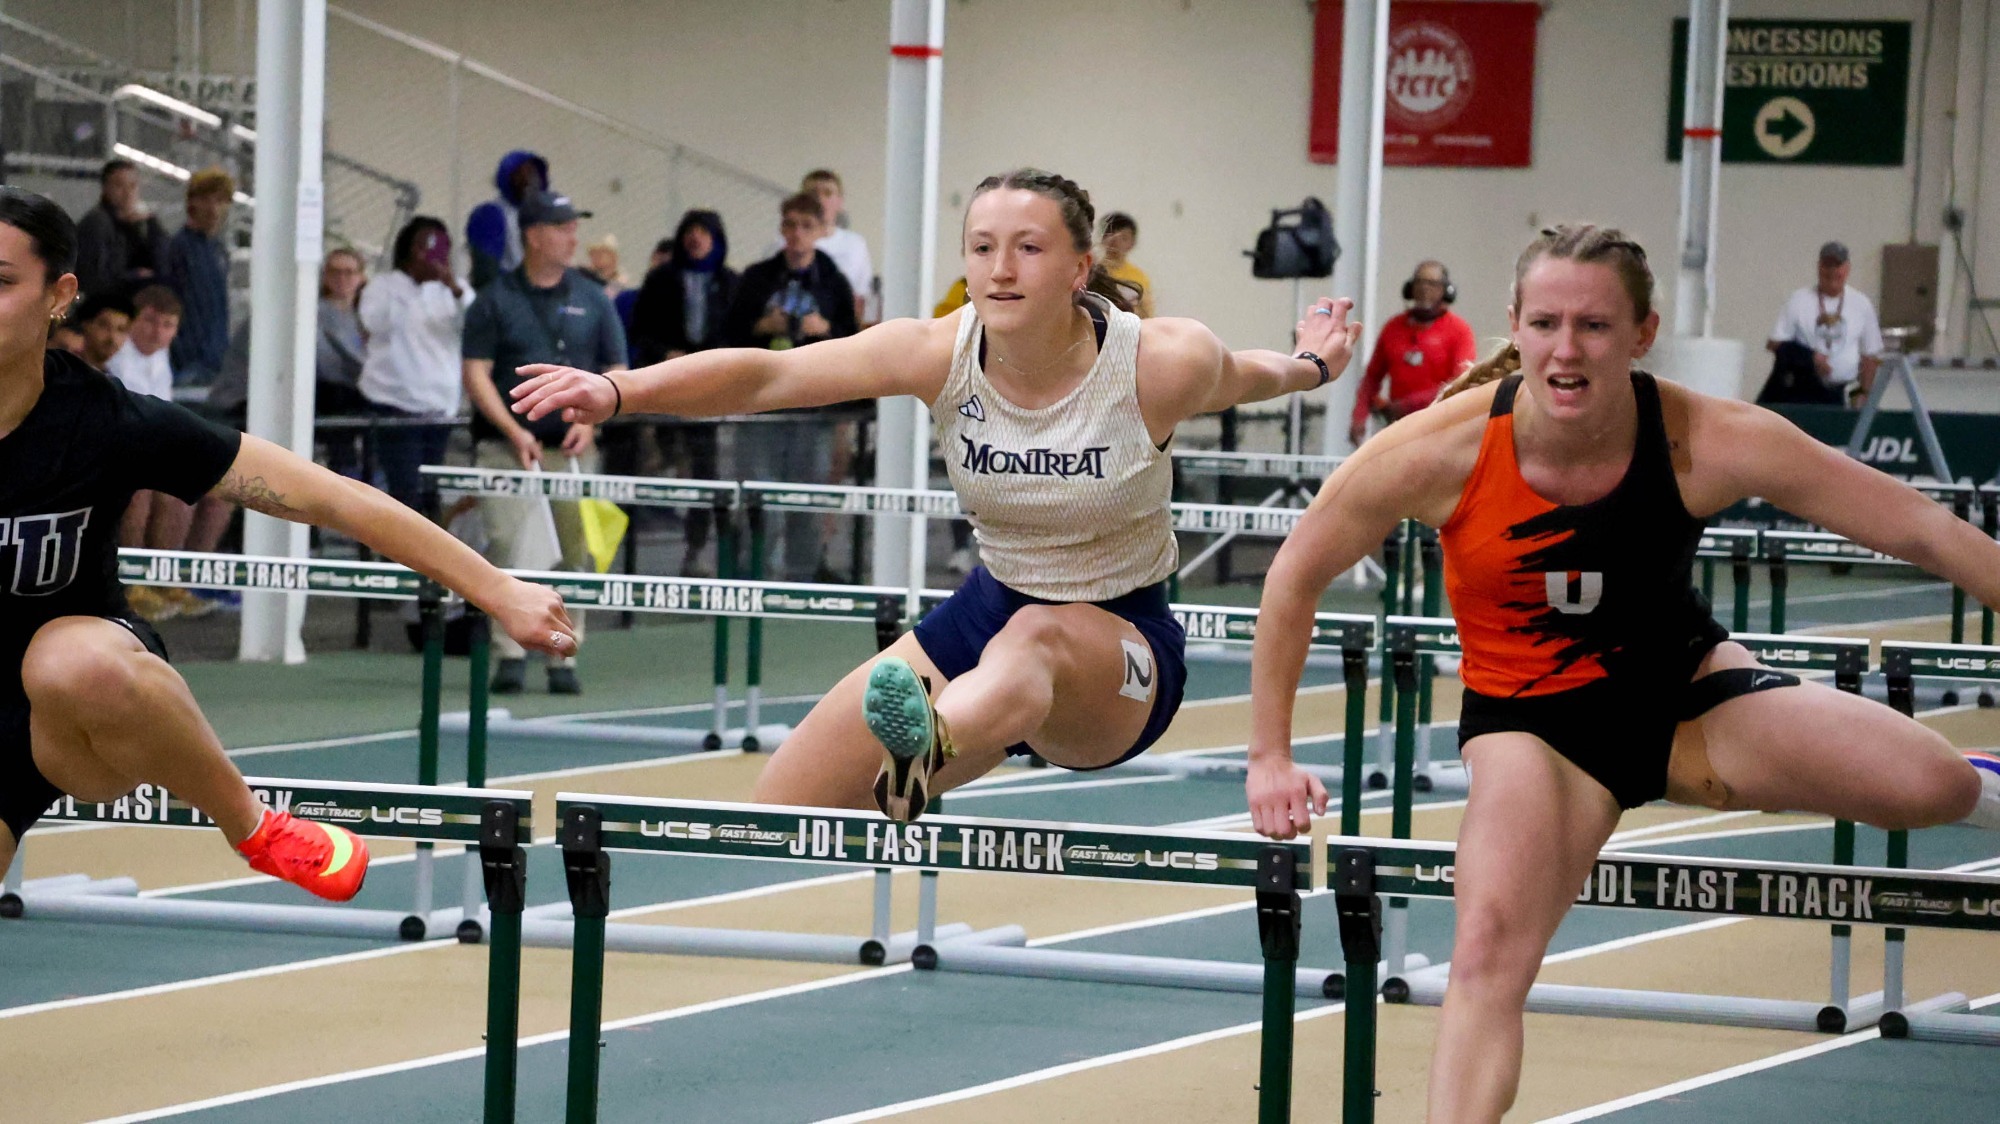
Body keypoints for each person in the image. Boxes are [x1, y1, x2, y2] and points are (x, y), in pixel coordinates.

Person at [1242, 224, 2000, 1124]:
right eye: (1549, 323)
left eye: (1596, 327)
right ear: (1516, 325)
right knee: (1485, 954)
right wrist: (1270, 755)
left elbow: (1924, 529)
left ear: (1643, 334)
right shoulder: (1436, 450)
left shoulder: (1705, 437)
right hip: (1535, 731)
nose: (1569, 349)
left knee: (1933, 784)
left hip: (1682, 697)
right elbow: (1293, 575)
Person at [512, 167, 1362, 821]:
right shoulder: (936, 351)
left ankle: (932, 748)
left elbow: (1252, 375)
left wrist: (1315, 363)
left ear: (1079, 267)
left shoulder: (1156, 362)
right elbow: (772, 375)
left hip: (1119, 649)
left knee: (1036, 642)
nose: (1000, 269)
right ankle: (929, 752)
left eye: (1028, 247)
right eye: (982, 246)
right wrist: (620, 390)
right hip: (988, 611)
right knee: (775, 808)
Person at [0, 186, 576, 905]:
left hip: (77, 712)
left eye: (1, 283)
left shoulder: (105, 420)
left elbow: (330, 496)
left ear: (60, 295)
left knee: (69, 661)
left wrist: (496, 588)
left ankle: (256, 828)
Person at [462, 190, 626, 695]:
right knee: (510, 550)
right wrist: (514, 431)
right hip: (506, 451)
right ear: (533, 237)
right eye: (562, 227)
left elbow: (616, 368)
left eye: (574, 225)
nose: (574, 235)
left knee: (576, 556)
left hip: (573, 452)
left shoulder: (594, 298)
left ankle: (563, 654)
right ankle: (510, 653)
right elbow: (476, 372)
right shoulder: (494, 299)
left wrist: (593, 420)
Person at [726, 192, 860, 581]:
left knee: (808, 496)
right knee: (758, 498)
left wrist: (825, 330)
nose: (797, 234)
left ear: (819, 231)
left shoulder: (833, 282)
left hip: (813, 408)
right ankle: (754, 576)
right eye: (789, 225)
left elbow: (852, 342)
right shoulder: (755, 279)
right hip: (761, 408)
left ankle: (802, 577)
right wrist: (760, 327)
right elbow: (727, 337)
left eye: (806, 226)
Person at [627, 209, 737, 575]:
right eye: (690, 230)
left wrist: (710, 359)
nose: (696, 238)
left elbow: (739, 337)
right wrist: (666, 354)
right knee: (657, 463)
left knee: (705, 473)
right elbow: (640, 330)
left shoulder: (730, 282)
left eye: (704, 232)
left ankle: (697, 551)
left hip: (712, 392)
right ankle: (633, 559)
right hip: (665, 387)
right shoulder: (660, 279)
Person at [359, 218, 472, 511]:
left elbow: (474, 324)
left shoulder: (455, 290)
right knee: (404, 493)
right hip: (395, 404)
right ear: (408, 248)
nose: (431, 255)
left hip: (440, 407)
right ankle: (396, 557)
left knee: (430, 494)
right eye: (424, 247)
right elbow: (374, 322)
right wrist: (414, 288)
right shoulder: (383, 287)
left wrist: (450, 287)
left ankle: (428, 556)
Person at [1348, 260, 1477, 447]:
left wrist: (1410, 405)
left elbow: (1461, 382)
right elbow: (1372, 378)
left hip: (1441, 428)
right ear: (1410, 288)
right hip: (1399, 428)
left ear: (1446, 291)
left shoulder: (1460, 331)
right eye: (1420, 282)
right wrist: (1359, 416)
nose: (1424, 289)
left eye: (1432, 284)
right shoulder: (1393, 328)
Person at [1766, 241, 1883, 407]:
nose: (1832, 271)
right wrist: (1810, 358)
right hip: (1803, 392)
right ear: (1819, 267)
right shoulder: (1798, 299)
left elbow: (1870, 355)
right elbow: (1775, 344)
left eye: (1838, 266)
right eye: (1827, 265)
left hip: (1843, 392)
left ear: (1847, 268)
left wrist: (1863, 393)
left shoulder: (1861, 304)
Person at [165, 167, 234, 387]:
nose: (214, 208)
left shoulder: (218, 250)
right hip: (189, 362)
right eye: (206, 199)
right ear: (192, 203)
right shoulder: (179, 247)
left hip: (215, 359)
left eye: (220, 200)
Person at [72, 159, 170, 300]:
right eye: (119, 185)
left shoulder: (139, 224)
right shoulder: (97, 224)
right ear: (106, 188)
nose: (127, 193)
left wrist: (151, 224)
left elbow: (164, 266)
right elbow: (92, 279)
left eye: (133, 185)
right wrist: (132, 277)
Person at [315, 247, 370, 480]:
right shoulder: (315, 312)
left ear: (361, 277)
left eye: (349, 272)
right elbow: (327, 363)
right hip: (332, 394)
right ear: (325, 276)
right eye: (335, 272)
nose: (342, 278)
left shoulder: (368, 313)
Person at [465, 150, 550, 290]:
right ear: (506, 177)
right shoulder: (491, 214)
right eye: (520, 174)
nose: (528, 180)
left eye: (532, 173)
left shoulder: (540, 217)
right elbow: (486, 276)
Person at [1096, 212, 1155, 319]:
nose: (1115, 242)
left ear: (1132, 243)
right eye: (1110, 234)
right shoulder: (1093, 272)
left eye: (1123, 238)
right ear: (1102, 238)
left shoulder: (1138, 277)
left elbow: (1147, 315)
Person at [69, 293, 131, 369]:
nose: (112, 337)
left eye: (121, 330)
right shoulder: (63, 368)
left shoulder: (112, 379)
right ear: (86, 324)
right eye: (104, 326)